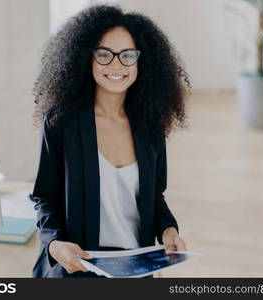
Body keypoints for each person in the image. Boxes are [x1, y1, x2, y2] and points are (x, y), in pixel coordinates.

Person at [31, 4, 190, 278]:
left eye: (128, 55)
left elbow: (154, 197)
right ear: (86, 58)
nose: (117, 65)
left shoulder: (150, 126)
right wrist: (55, 246)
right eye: (104, 54)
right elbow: (44, 197)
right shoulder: (62, 123)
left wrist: (168, 230)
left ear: (142, 61)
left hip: (135, 268)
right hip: (78, 267)